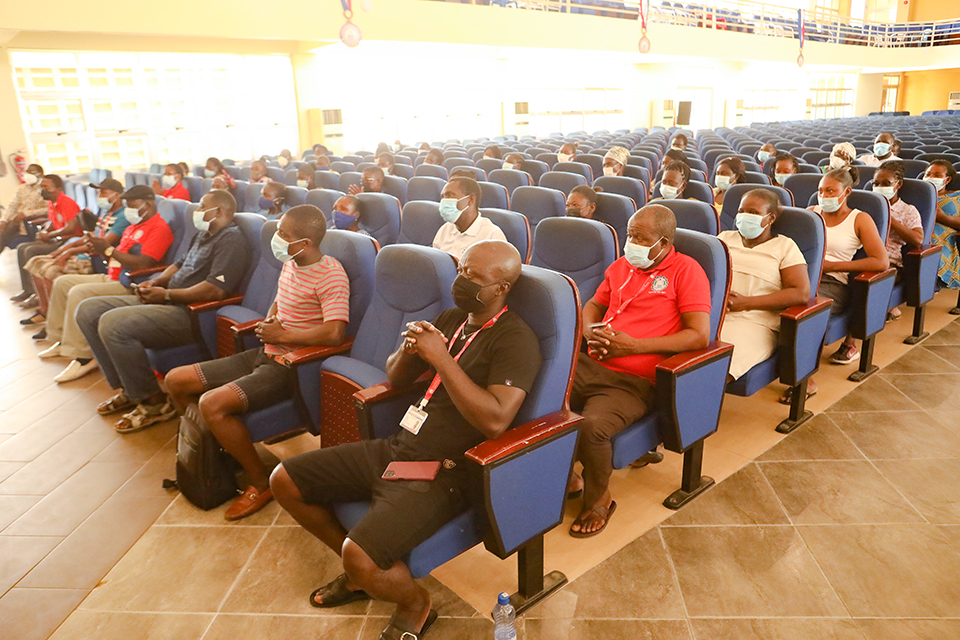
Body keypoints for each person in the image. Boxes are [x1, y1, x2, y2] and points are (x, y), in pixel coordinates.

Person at [269, 239, 539, 640]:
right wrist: (411, 350)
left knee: (359, 555)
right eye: (461, 271)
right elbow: (395, 377)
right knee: (284, 480)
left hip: (445, 472)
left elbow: (496, 421)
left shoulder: (516, 340)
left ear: (501, 288)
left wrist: (441, 358)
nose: (462, 281)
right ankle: (362, 574)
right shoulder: (451, 318)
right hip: (399, 447)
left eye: (474, 276)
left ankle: (413, 603)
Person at [166, 205, 349, 520]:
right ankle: (223, 453)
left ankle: (260, 481)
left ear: (305, 243)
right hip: (265, 351)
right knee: (176, 381)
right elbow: (280, 301)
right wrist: (270, 321)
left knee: (212, 404)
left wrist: (284, 334)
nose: (276, 238)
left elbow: (335, 333)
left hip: (289, 366)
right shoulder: (291, 262)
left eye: (283, 234)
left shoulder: (331, 274)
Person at [567, 204, 711, 537]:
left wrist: (634, 347)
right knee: (537, 398)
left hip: (633, 381)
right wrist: (588, 330)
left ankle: (599, 498)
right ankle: (565, 475)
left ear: (664, 242)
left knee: (592, 427)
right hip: (591, 362)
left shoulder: (687, 271)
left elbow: (699, 335)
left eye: (640, 238)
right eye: (629, 235)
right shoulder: (622, 266)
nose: (631, 243)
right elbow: (594, 305)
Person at [76, 188, 251, 433]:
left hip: (191, 314)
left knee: (113, 324)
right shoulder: (204, 234)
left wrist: (167, 294)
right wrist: (156, 282)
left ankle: (154, 403)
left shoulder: (231, 240)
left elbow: (215, 290)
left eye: (202, 207)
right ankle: (130, 389)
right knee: (88, 310)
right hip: (168, 301)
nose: (197, 211)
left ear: (219, 211)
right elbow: (178, 265)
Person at [40, 184, 175, 383]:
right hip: (112, 275)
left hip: (130, 282)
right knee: (62, 282)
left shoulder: (159, 228)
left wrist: (109, 250)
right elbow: (114, 255)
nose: (128, 210)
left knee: (78, 293)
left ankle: (84, 357)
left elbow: (143, 263)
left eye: (132, 206)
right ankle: (61, 339)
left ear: (147, 205)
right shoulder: (133, 226)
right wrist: (100, 248)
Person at [718, 189, 809, 380]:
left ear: (770, 218)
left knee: (715, 368)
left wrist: (746, 303)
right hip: (715, 315)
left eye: (753, 212)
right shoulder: (724, 239)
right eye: (742, 211)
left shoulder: (785, 246)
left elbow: (800, 292)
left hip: (756, 322)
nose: (745, 216)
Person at [805, 167, 888, 370]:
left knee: (801, 309)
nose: (824, 196)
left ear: (847, 191)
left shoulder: (859, 219)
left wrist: (832, 266)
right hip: (803, 275)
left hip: (833, 282)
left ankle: (805, 374)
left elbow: (881, 261)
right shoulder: (811, 213)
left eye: (830, 191)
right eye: (820, 190)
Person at [25, 178, 129, 337]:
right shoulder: (107, 214)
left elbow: (102, 244)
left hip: (94, 259)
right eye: (99, 193)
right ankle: (47, 312)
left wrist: (69, 252)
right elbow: (93, 236)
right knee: (36, 262)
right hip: (84, 254)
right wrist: (66, 248)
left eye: (103, 193)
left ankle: (59, 321)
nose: (100, 196)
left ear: (116, 195)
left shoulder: (123, 217)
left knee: (51, 271)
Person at [12, 175, 82, 309]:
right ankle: (28, 290)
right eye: (41, 186)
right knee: (21, 247)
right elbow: (53, 222)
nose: (42, 190)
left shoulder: (67, 202)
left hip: (66, 240)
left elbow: (71, 227)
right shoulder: (51, 202)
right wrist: (44, 231)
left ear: (58, 188)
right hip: (56, 238)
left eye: (46, 187)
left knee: (30, 250)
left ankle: (37, 295)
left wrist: (50, 234)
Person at [874, 160, 923, 320]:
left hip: (889, 262)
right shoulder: (867, 206)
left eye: (886, 183)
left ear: (898, 184)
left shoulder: (908, 210)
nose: (880, 187)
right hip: (862, 256)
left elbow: (918, 239)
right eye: (876, 184)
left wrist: (891, 219)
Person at [432, 177, 506, 259]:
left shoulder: (492, 235)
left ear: (470, 199)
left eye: (450, 195)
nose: (444, 201)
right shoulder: (445, 229)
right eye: (443, 197)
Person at [925, 160, 960, 290]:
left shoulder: (957, 196)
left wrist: (943, 218)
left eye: (937, 175)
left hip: (943, 236)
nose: (930, 177)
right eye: (928, 174)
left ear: (947, 179)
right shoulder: (916, 195)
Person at [0, 164, 47, 254]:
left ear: (41, 174)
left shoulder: (44, 189)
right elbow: (12, 206)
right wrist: (3, 220)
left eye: (32, 172)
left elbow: (48, 209)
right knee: (2, 230)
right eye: (27, 172)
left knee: (3, 236)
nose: (28, 175)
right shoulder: (22, 189)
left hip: (28, 225)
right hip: (14, 223)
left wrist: (25, 214)